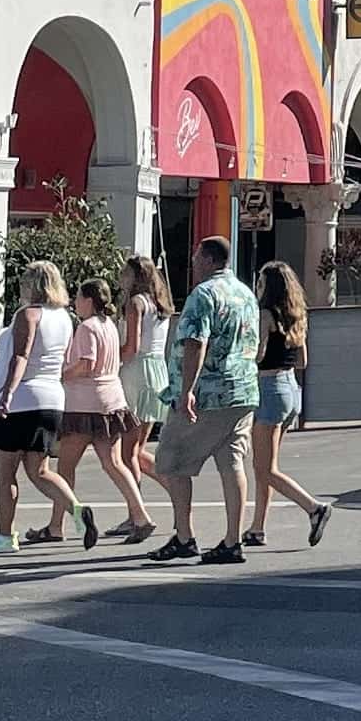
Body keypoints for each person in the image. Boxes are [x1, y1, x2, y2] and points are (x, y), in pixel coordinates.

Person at [149, 236, 261, 564]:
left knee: (172, 457)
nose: (194, 262)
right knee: (232, 462)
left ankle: (184, 536)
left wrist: (187, 391)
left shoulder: (204, 294)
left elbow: (196, 342)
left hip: (208, 394)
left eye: (197, 256)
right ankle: (232, 540)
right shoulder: (245, 293)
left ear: (210, 260)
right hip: (242, 390)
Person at [0, 260, 89, 557]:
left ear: (32, 284)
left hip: (23, 398)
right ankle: (76, 509)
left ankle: (4, 535)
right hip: (52, 399)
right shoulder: (65, 318)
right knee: (39, 470)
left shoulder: (28, 314)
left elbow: (20, 357)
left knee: (6, 472)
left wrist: (6, 395)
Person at [36, 278, 152, 546]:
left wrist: (62, 375)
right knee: (114, 463)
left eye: (78, 297)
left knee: (65, 467)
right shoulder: (108, 324)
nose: (75, 302)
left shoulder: (87, 327)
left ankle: (57, 525)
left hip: (84, 405)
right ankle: (140, 516)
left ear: (89, 300)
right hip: (111, 401)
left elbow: (87, 364)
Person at [245, 262, 335, 549]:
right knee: (266, 466)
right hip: (289, 388)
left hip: (268, 387)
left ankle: (313, 507)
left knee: (264, 469)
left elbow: (258, 355)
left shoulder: (265, 314)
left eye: (260, 282)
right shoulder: (297, 314)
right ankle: (257, 528)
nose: (257, 287)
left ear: (268, 287)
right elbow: (302, 360)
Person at [116, 255, 173, 483]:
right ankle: (173, 487)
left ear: (136, 276)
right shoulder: (160, 304)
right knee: (138, 449)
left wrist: (111, 358)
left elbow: (132, 347)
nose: (122, 276)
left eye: (126, 273)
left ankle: (135, 502)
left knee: (127, 452)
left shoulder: (135, 303)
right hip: (157, 371)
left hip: (137, 372)